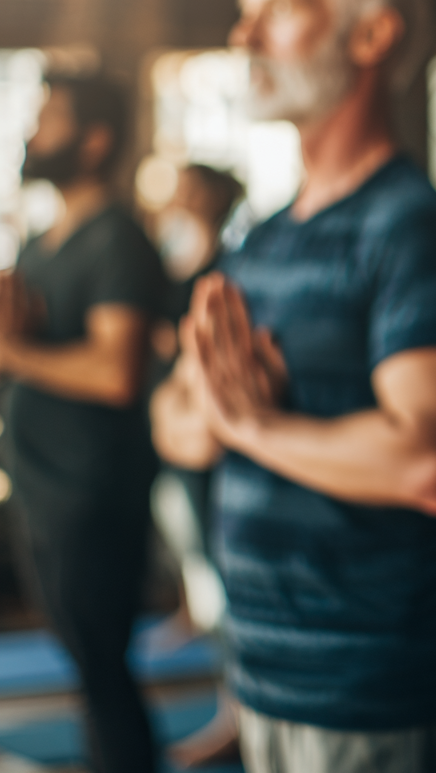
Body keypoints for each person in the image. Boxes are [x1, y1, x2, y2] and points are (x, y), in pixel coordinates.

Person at [151, 0, 436, 773]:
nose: (243, 35)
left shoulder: (410, 227)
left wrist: (253, 423)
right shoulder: (257, 238)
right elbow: (174, 421)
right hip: (260, 671)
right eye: (242, 12)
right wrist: (224, 414)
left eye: (279, 9)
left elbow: (429, 463)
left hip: (369, 678)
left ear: (371, 35)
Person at [0, 74, 164, 773]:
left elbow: (114, 371)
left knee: (103, 671)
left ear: (94, 142)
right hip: (39, 486)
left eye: (52, 120)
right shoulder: (41, 242)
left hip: (90, 497)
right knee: (84, 669)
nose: (35, 134)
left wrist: (12, 349)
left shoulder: (115, 240)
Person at [148, 163, 244, 769]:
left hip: (207, 446)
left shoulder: (225, 268)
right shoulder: (174, 256)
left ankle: (235, 712)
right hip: (178, 436)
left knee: (222, 578)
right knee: (197, 560)